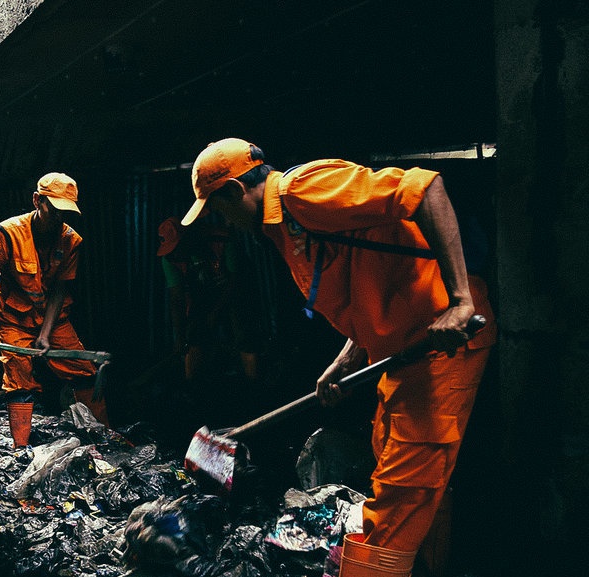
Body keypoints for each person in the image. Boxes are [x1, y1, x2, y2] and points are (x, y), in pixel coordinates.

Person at [179, 138, 496, 577]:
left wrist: (460, 301)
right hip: (400, 350)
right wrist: (348, 355)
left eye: (218, 209)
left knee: (401, 493)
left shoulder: (303, 191)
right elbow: (363, 279)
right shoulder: (285, 225)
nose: (224, 222)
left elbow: (427, 188)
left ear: (235, 190)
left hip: (441, 343)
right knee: (408, 480)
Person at [0, 172, 107, 448]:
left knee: (84, 371)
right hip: (13, 317)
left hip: (52, 318)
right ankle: (21, 446)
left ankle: (104, 437)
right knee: (18, 378)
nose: (59, 218)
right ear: (37, 201)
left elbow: (60, 290)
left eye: (65, 212)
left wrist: (45, 334)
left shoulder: (71, 240)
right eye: (54, 210)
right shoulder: (8, 234)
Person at [157, 216, 263, 383]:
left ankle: (254, 382)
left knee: (243, 329)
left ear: (187, 238)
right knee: (194, 333)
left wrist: (215, 313)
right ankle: (193, 386)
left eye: (177, 247)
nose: (175, 253)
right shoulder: (170, 258)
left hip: (235, 289)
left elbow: (235, 281)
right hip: (203, 294)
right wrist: (180, 337)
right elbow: (177, 298)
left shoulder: (221, 240)